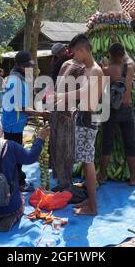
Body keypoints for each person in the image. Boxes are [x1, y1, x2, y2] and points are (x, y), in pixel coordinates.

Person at [56, 34, 104, 216]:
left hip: (88, 118)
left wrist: (62, 96)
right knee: (85, 161)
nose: (73, 56)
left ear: (83, 50)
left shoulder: (94, 70)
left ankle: (92, 207)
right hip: (84, 116)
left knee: (87, 161)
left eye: (75, 52)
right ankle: (90, 200)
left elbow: (84, 92)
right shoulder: (88, 68)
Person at [1, 51, 49, 192]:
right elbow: (19, 107)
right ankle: (19, 183)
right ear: (18, 65)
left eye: (30, 65)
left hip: (15, 123)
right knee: (15, 156)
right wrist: (40, 113)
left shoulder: (19, 78)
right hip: (12, 124)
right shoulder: (15, 81)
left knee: (14, 154)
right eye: (26, 66)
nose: (29, 68)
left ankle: (17, 179)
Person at [98, 43, 135, 186]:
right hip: (127, 108)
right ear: (122, 55)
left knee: (107, 143)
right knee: (129, 143)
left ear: (110, 55)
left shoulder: (106, 70)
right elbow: (129, 60)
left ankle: (102, 176)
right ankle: (133, 177)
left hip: (111, 109)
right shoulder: (130, 68)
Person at [50, 48, 86, 192]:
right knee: (66, 148)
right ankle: (65, 184)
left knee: (57, 145)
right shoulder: (81, 68)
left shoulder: (66, 64)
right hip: (66, 111)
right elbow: (82, 93)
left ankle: (60, 177)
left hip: (56, 108)